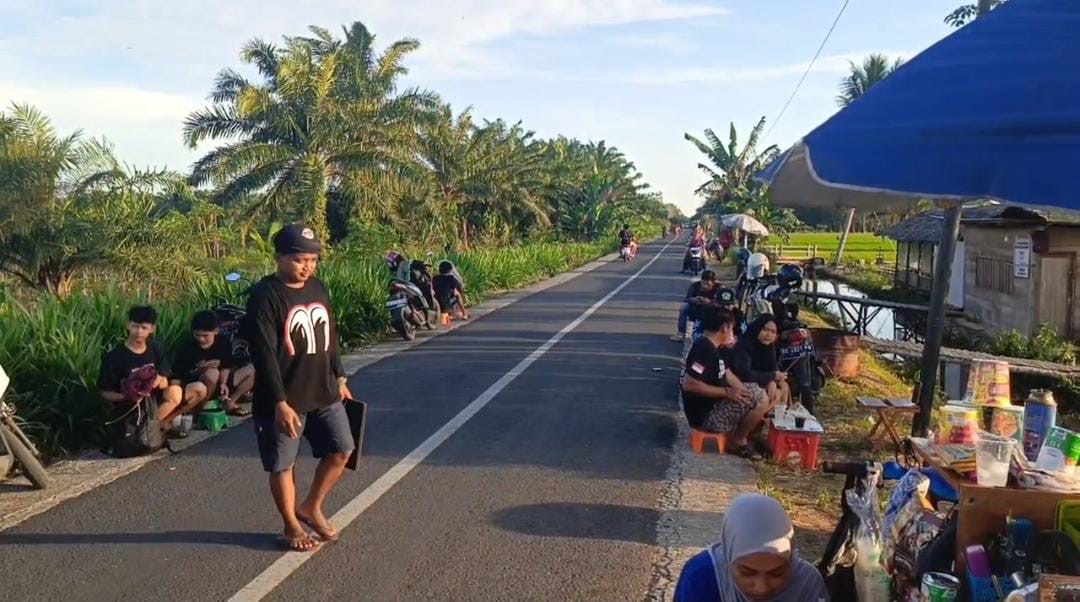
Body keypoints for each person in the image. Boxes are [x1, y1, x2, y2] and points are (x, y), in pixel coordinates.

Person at [246, 223, 356, 552]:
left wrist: (339, 376)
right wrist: (279, 402)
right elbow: (263, 353)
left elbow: (329, 335)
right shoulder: (265, 295)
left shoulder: (317, 287)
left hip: (324, 390)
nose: (307, 266)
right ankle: (291, 525)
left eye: (312, 260)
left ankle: (310, 506)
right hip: (284, 399)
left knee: (342, 449)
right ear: (279, 258)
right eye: (299, 260)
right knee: (283, 464)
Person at [674, 493, 829, 602]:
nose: (762, 588)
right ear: (729, 554)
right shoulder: (702, 577)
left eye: (777, 574)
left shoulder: (807, 583)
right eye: (747, 573)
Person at [680, 305, 776, 458]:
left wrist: (742, 391)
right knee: (760, 397)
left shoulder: (717, 348)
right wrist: (726, 392)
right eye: (732, 329)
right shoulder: (704, 349)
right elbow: (689, 384)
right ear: (725, 328)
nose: (733, 334)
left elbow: (727, 373)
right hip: (706, 415)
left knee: (756, 393)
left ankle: (743, 436)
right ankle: (738, 440)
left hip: (715, 404)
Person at [98, 305, 183, 426]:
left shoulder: (156, 348)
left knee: (175, 391)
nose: (139, 332)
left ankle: (151, 427)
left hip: (153, 402)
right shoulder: (114, 356)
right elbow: (105, 393)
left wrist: (160, 380)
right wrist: (127, 395)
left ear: (152, 329)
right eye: (135, 326)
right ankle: (146, 430)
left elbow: (166, 378)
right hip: (129, 404)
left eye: (144, 328)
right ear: (128, 325)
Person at [173, 310, 254, 419]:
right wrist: (200, 370)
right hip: (200, 385)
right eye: (197, 335)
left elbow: (226, 366)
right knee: (212, 373)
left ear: (215, 331)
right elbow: (179, 375)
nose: (201, 339)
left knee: (251, 370)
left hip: (221, 382)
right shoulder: (187, 348)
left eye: (205, 336)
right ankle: (199, 409)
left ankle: (230, 402)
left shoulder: (223, 343)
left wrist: (223, 383)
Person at [732, 314, 791, 410]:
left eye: (773, 332)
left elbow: (773, 369)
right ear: (757, 328)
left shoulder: (769, 346)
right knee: (773, 393)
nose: (768, 335)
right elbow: (744, 374)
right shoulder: (744, 344)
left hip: (759, 380)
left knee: (784, 385)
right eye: (765, 330)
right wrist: (772, 377)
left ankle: (779, 418)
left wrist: (772, 380)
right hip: (742, 383)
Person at [670, 270, 720, 342]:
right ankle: (681, 332)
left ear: (713, 283)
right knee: (684, 307)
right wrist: (695, 300)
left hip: (711, 310)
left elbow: (721, 302)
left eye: (708, 284)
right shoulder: (695, 286)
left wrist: (710, 302)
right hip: (695, 308)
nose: (705, 286)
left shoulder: (718, 288)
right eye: (703, 283)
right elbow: (687, 298)